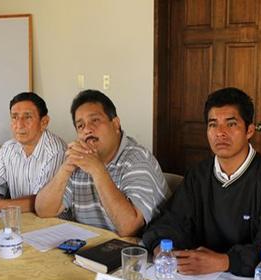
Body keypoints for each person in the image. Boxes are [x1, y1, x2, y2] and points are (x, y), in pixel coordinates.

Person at [142, 87, 261, 277]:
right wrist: (162, 248)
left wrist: (225, 262)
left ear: (249, 130)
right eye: (213, 124)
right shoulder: (198, 175)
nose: (220, 133)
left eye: (230, 124)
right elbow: (170, 220)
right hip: (197, 279)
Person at [35, 89, 168, 237]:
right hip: (87, 252)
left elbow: (129, 228)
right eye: (80, 125)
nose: (87, 129)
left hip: (132, 254)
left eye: (95, 120)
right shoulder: (80, 161)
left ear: (116, 124)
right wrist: (65, 170)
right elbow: (44, 211)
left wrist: (97, 169)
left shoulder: (137, 159)